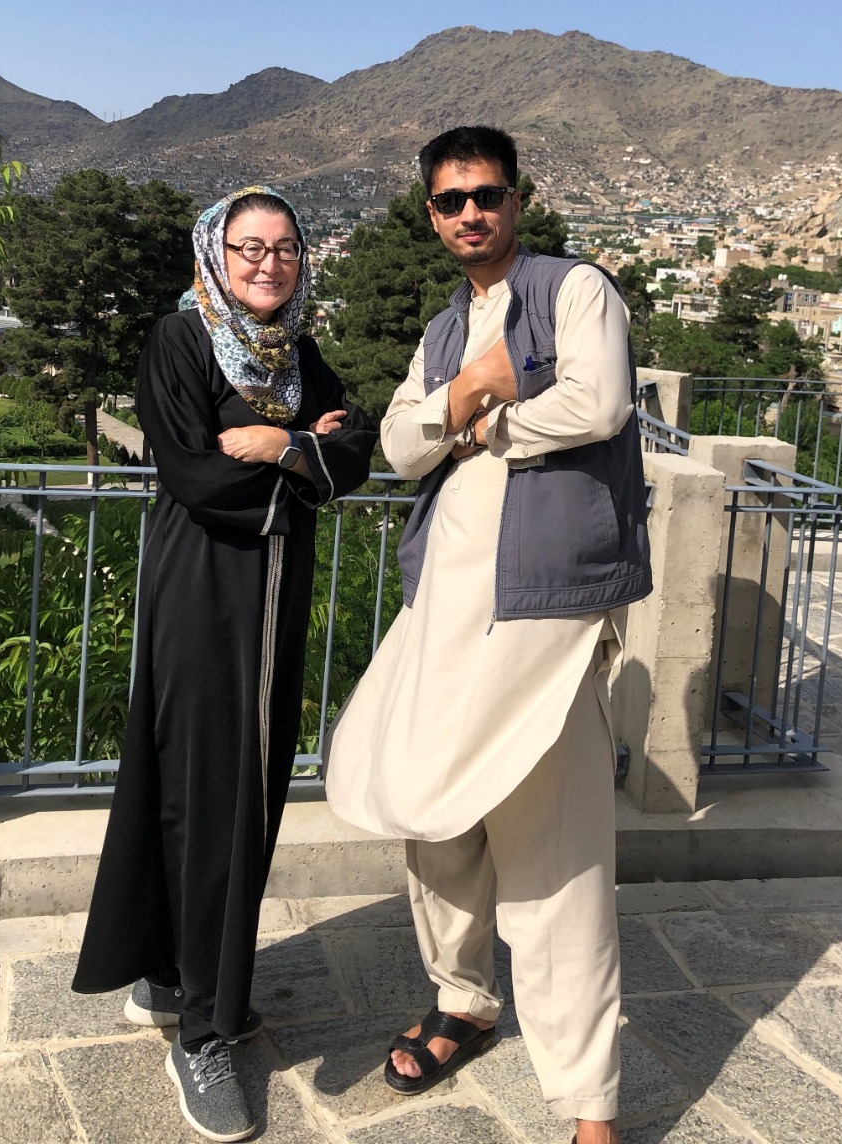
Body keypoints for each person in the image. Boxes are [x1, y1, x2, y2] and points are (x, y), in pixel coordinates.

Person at [326, 127, 649, 1144]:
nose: (471, 212)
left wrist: (481, 427)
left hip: (543, 615)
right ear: (432, 215)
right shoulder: (440, 334)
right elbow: (398, 444)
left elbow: (598, 403)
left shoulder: (573, 290)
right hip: (443, 611)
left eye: (487, 194)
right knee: (436, 820)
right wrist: (473, 390)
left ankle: (589, 1102)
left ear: (518, 199)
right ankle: (463, 999)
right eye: (451, 200)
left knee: (559, 859)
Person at [73, 185, 376, 1143]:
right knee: (210, 790)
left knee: (239, 789)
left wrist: (284, 442)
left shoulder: (298, 354)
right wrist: (304, 459)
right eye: (250, 247)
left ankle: (171, 975)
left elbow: (356, 450)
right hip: (204, 594)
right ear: (215, 253)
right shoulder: (181, 340)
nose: (268, 263)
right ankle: (204, 1031)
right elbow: (196, 473)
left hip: (273, 601)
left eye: (285, 248)